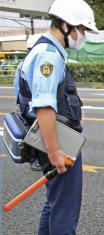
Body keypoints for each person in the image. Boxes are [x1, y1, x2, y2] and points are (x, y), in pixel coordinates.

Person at [16, 0, 104, 235]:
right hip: (54, 139)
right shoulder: (48, 57)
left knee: (55, 200)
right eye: (81, 29)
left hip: (50, 137)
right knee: (66, 203)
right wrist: (55, 151)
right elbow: (44, 107)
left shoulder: (46, 51)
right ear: (65, 26)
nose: (83, 36)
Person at [14, 34, 43, 171]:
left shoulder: (23, 63)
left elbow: (16, 87)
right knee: (35, 131)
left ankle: (36, 158)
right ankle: (34, 159)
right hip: (31, 105)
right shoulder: (32, 63)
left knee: (34, 130)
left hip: (25, 104)